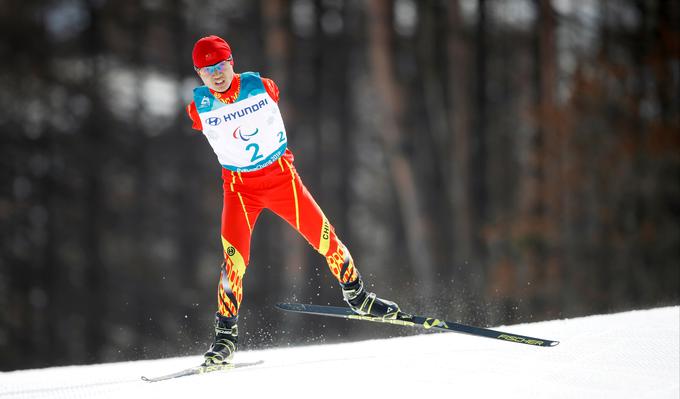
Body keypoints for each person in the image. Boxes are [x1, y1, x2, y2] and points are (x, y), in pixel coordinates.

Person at [186, 35, 400, 366]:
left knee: (327, 239)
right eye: (206, 69)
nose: (216, 74)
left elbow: (270, 95)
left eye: (220, 65)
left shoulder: (260, 86)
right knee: (233, 266)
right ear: (198, 74)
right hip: (240, 190)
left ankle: (358, 297)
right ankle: (225, 338)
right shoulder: (197, 107)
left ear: (232, 63)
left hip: (282, 181)